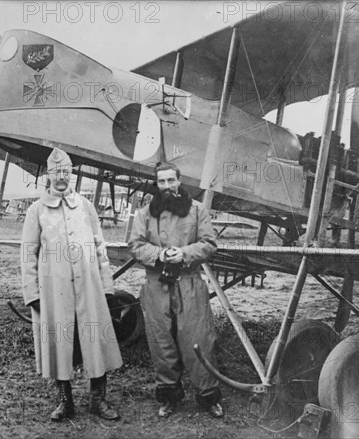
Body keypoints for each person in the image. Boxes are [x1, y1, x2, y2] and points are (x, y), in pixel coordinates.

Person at [21, 148, 123, 422]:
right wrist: (33, 294)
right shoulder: (36, 211)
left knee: (96, 342)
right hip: (55, 293)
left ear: (72, 173)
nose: (62, 177)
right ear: (48, 175)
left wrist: (107, 287)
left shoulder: (86, 207)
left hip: (89, 290)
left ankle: (98, 401)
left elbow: (100, 248)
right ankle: (65, 402)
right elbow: (28, 254)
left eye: (66, 172)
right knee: (59, 346)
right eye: (57, 172)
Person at [128, 162, 224, 419]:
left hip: (189, 283)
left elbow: (209, 243)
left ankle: (208, 397)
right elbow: (136, 245)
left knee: (198, 339)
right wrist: (160, 254)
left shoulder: (196, 210)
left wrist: (183, 253)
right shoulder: (145, 214)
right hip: (156, 285)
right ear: (156, 184)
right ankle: (169, 396)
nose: (167, 186)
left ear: (179, 181)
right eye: (162, 182)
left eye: (171, 181)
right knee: (161, 342)